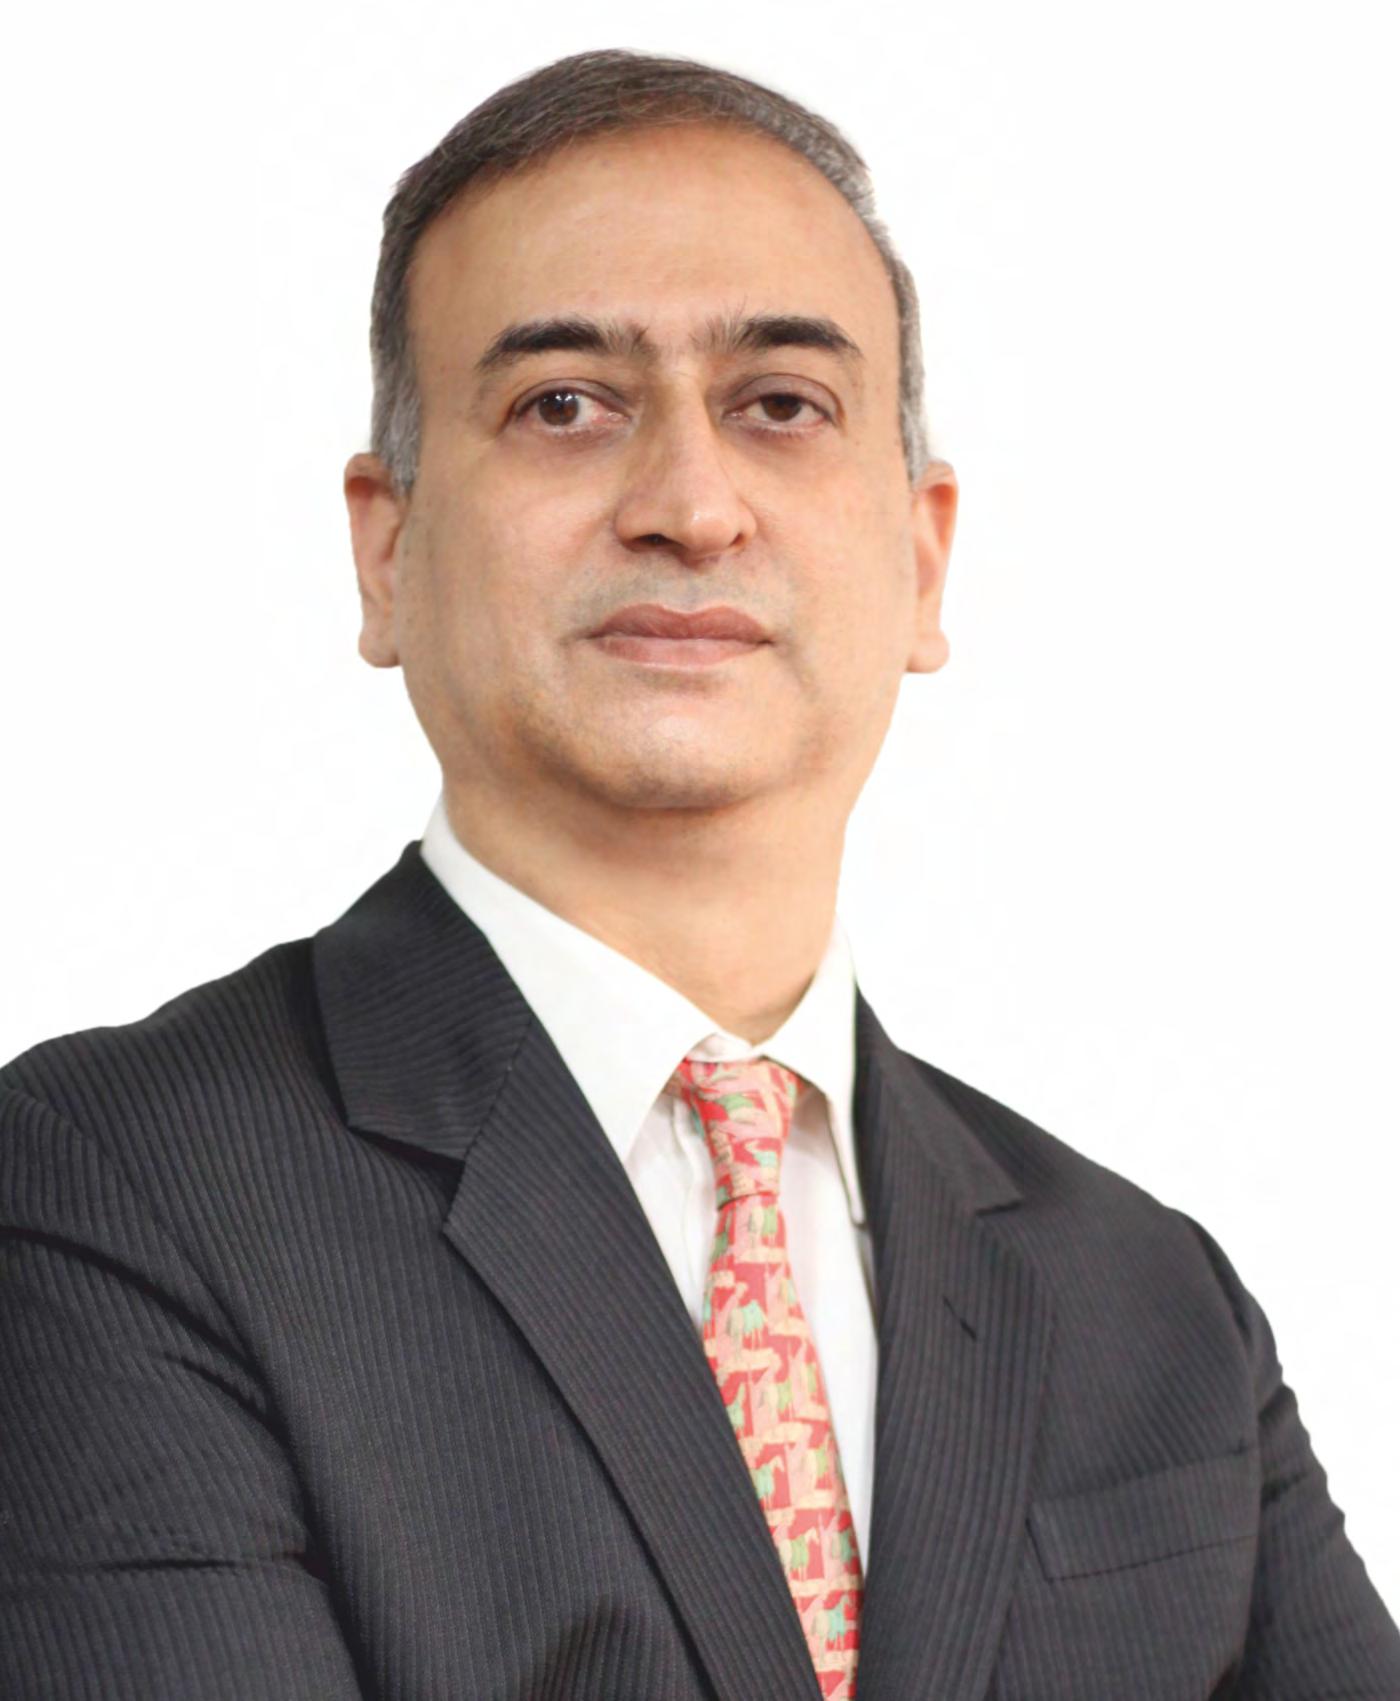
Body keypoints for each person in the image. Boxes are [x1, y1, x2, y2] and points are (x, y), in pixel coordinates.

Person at [1, 45, 1396, 1701]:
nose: (690, 503)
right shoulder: (110, 1192)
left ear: (924, 554)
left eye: (781, 404)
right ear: (386, 549)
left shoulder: (1154, 1302)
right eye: (565, 404)